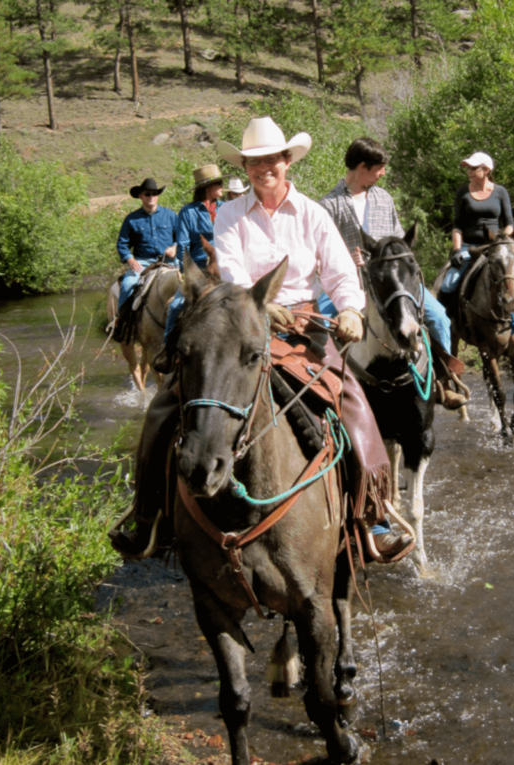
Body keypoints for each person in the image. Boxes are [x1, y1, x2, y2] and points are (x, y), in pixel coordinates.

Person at [109, 116, 413, 562]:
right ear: (246, 166)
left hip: (304, 325)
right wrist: (257, 303)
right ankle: (147, 514)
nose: (263, 168)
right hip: (240, 320)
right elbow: (230, 270)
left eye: (271, 159)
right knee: (169, 401)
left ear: (287, 161)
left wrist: (349, 307)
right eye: (253, 161)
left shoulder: (314, 213)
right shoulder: (231, 213)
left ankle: (374, 515)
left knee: (351, 399)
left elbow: (339, 272)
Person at [318, 137, 469, 410]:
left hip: (393, 283)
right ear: (362, 167)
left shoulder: (383, 198)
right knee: (318, 324)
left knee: (439, 318)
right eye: (379, 168)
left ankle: (442, 383)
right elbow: (319, 254)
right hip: (350, 283)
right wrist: (345, 260)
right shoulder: (328, 206)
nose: (383, 173)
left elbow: (400, 240)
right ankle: (325, 391)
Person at [439, 152, 514, 341]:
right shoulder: (463, 192)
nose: (469, 172)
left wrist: (505, 240)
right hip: (470, 247)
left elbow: (509, 222)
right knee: (448, 285)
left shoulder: (500, 192)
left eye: (473, 168)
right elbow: (457, 226)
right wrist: (456, 250)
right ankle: (449, 324)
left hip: (498, 246)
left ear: (486, 170)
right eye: (468, 168)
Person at [163, 164, 224, 342]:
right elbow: (182, 245)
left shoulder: (226, 208)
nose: (222, 186)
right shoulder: (188, 212)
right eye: (218, 183)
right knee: (176, 306)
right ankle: (167, 347)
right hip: (199, 268)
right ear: (207, 188)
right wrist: (185, 271)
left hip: (226, 266)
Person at [115, 177, 178, 311]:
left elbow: (182, 237)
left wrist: (175, 247)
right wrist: (130, 260)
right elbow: (122, 244)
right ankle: (120, 323)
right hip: (142, 263)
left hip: (169, 261)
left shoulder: (170, 215)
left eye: (154, 194)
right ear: (140, 196)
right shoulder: (131, 219)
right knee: (127, 285)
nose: (151, 197)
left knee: (192, 285)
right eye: (147, 194)